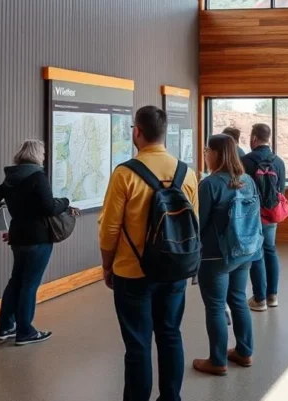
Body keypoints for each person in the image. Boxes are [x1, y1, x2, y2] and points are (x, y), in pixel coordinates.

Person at [99, 106, 198, 401]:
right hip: (175, 269)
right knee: (170, 335)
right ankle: (171, 397)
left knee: (138, 344)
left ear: (137, 131)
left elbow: (110, 229)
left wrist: (107, 266)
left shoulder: (125, 174)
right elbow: (195, 224)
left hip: (132, 272)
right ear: (164, 132)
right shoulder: (187, 173)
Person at [0, 139, 72, 345]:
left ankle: (5, 326)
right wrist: (65, 202)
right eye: (42, 154)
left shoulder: (12, 178)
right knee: (30, 285)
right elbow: (49, 207)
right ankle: (25, 331)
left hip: (18, 237)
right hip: (38, 237)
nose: (43, 157)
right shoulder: (37, 177)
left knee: (16, 281)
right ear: (36, 155)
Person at [192, 134, 262, 375]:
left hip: (215, 256)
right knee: (239, 300)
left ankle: (218, 360)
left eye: (206, 150)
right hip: (244, 251)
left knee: (215, 307)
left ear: (216, 154)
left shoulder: (210, 184)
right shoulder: (247, 180)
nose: (205, 154)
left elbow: (199, 224)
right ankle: (244, 352)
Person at [241, 123, 285, 312]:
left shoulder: (245, 161)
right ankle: (272, 295)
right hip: (272, 214)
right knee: (270, 250)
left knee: (256, 254)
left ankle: (259, 299)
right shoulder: (279, 161)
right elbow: (281, 189)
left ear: (253, 138)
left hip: (252, 216)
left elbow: (240, 188)